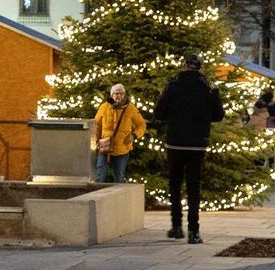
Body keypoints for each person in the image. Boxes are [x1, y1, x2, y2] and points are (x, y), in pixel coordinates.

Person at [154, 52, 225, 244]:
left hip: (175, 143)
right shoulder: (208, 88)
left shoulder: (172, 86)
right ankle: (194, 232)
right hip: (197, 144)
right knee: (194, 188)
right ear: (199, 67)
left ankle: (177, 227)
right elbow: (218, 116)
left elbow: (159, 114)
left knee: (175, 185)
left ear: (184, 65)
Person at [94, 83, 146, 184]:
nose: (119, 96)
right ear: (111, 95)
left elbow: (141, 124)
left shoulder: (130, 109)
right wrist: (96, 141)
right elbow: (97, 126)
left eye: (121, 94)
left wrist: (134, 135)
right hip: (105, 147)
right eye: (116, 93)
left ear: (124, 95)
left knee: (119, 178)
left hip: (122, 148)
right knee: (99, 176)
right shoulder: (104, 107)